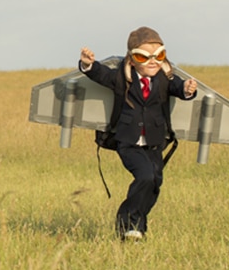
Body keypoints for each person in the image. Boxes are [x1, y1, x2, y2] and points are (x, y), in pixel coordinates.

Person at [79, 26, 198, 241]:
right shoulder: (122, 77)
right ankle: (126, 222)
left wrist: (188, 90)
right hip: (128, 141)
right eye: (145, 57)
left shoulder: (165, 78)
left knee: (154, 184)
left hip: (154, 142)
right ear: (132, 59)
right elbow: (100, 74)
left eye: (159, 56)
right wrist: (87, 65)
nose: (153, 62)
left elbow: (179, 89)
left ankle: (137, 227)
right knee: (144, 175)